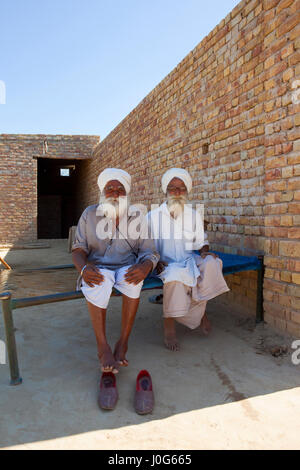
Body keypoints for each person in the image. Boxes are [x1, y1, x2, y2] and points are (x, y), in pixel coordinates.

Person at [72, 168, 159, 373]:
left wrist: (145, 267)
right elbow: (78, 250)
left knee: (133, 280)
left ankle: (123, 342)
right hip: (97, 266)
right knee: (98, 281)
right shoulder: (89, 214)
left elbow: (150, 251)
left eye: (120, 189)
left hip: (126, 265)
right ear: (102, 192)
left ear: (126, 194)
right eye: (110, 188)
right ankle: (102, 347)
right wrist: (84, 269)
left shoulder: (137, 216)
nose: (115, 192)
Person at [147, 168, 230, 351]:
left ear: (187, 191)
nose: (177, 192)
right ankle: (169, 325)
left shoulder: (193, 215)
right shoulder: (152, 217)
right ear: (165, 191)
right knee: (175, 276)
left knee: (212, 264)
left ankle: (200, 312)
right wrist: (154, 260)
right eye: (172, 188)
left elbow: (202, 242)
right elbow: (145, 246)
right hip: (164, 263)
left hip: (188, 260)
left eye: (181, 188)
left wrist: (204, 252)